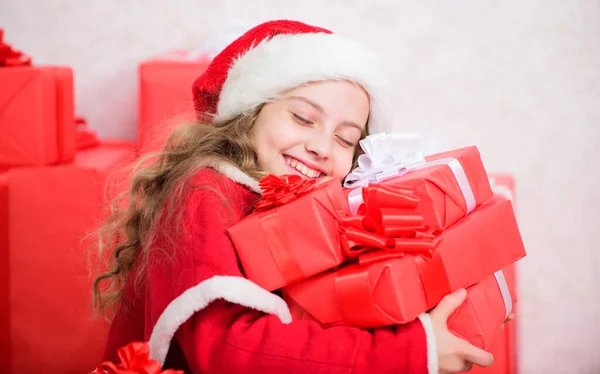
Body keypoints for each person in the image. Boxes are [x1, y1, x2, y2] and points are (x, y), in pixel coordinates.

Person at [93, 20, 495, 373]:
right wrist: (410, 350)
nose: (322, 146)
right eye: (303, 118)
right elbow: (229, 351)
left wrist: (458, 307)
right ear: (251, 112)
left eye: (345, 138)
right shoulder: (206, 191)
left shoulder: (314, 207)